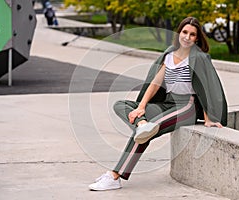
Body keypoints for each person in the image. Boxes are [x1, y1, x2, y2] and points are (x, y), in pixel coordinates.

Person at [88, 17, 228, 191]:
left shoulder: (199, 57)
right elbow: (155, 83)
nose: (187, 37)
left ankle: (115, 176)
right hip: (167, 102)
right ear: (179, 33)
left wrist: (208, 118)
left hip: (187, 106)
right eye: (184, 32)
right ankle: (142, 124)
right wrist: (141, 109)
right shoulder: (169, 54)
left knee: (146, 133)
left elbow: (207, 87)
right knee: (121, 105)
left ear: (197, 38)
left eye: (192, 35)